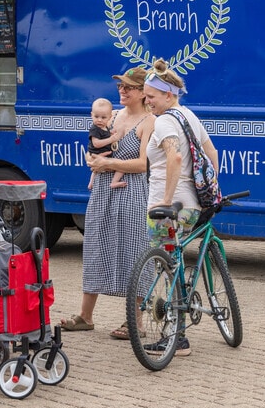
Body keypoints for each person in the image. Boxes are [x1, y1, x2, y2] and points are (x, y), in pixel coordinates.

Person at [60, 66, 153, 336]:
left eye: (128, 87)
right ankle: (85, 317)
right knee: (94, 247)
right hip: (103, 189)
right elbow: (94, 147)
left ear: (143, 93)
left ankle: (135, 322)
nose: (122, 91)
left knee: (133, 252)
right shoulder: (112, 116)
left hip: (132, 190)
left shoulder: (148, 122)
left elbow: (143, 163)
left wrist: (108, 162)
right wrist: (90, 160)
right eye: (120, 87)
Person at [139, 58, 221, 357]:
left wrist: (165, 198)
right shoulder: (188, 115)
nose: (147, 102)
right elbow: (211, 151)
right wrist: (213, 192)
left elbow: (173, 159)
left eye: (151, 96)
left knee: (166, 268)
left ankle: (177, 337)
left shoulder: (163, 122)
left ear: (168, 94)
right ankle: (181, 326)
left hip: (166, 206)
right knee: (176, 265)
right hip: (192, 206)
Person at [87, 97, 126, 190]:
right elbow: (96, 143)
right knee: (122, 166)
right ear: (91, 115)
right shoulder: (95, 128)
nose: (99, 120)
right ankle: (114, 182)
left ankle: (91, 183)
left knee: (97, 169)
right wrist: (112, 139)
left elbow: (105, 135)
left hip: (102, 154)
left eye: (103, 117)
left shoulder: (104, 127)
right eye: (96, 117)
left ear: (109, 117)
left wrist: (111, 133)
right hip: (98, 153)